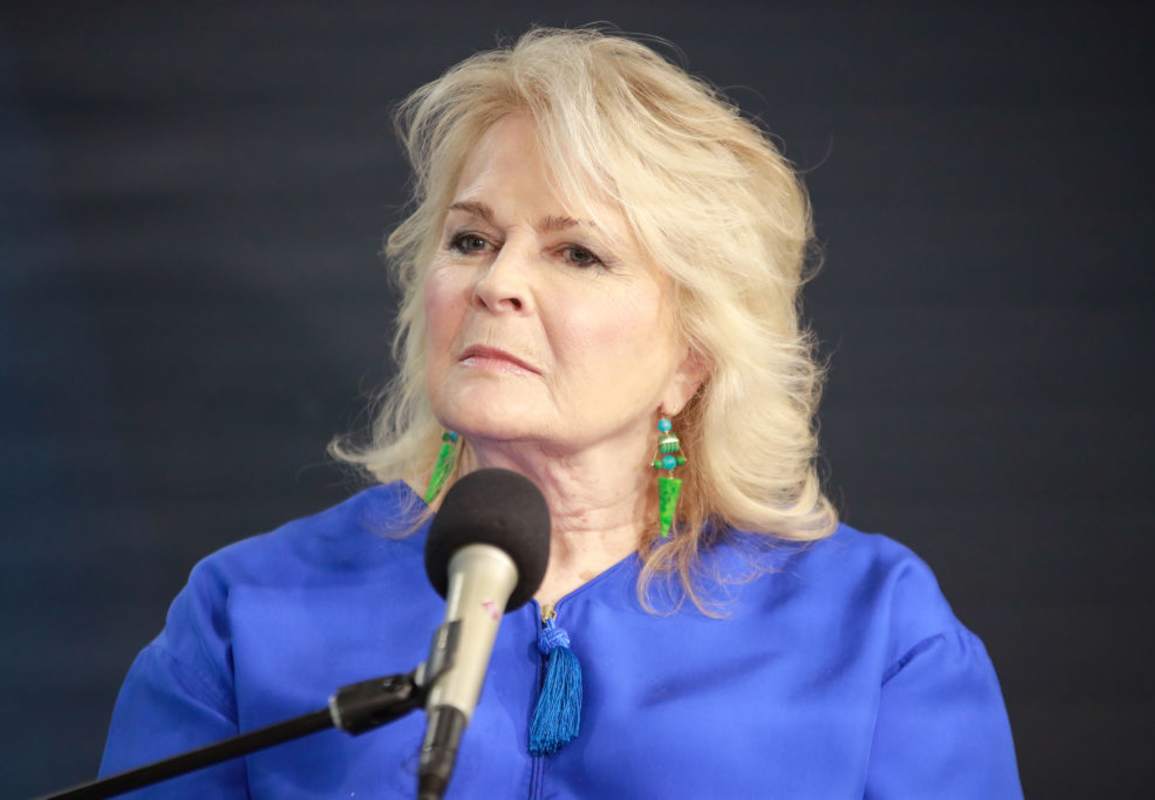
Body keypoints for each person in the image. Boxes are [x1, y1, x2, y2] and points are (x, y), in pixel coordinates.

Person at [99, 26, 1023, 798]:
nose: (496, 283)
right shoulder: (246, 611)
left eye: (577, 253)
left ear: (693, 355)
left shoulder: (874, 632)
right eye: (471, 239)